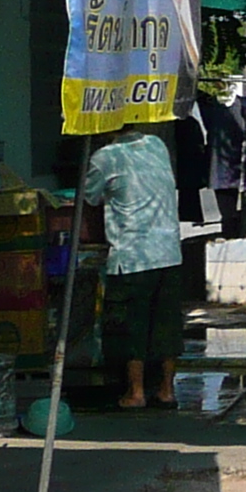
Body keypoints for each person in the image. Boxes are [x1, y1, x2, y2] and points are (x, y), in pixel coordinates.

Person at [84, 119, 187, 409]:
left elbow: (89, 197)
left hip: (132, 255)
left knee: (131, 326)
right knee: (167, 325)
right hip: (168, 251)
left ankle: (137, 392)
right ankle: (167, 391)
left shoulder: (105, 157)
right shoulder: (157, 145)